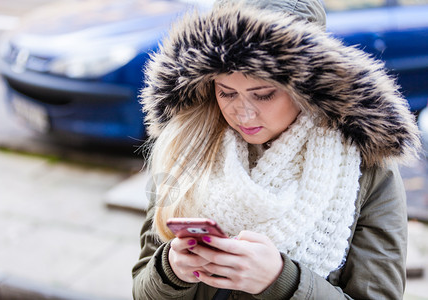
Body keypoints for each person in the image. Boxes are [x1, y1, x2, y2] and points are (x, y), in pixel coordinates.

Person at [132, 0, 421, 299]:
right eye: (226, 92)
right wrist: (169, 270)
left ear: (307, 88)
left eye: (264, 94)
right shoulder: (186, 145)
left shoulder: (367, 165)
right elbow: (142, 289)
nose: (243, 113)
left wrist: (282, 281)